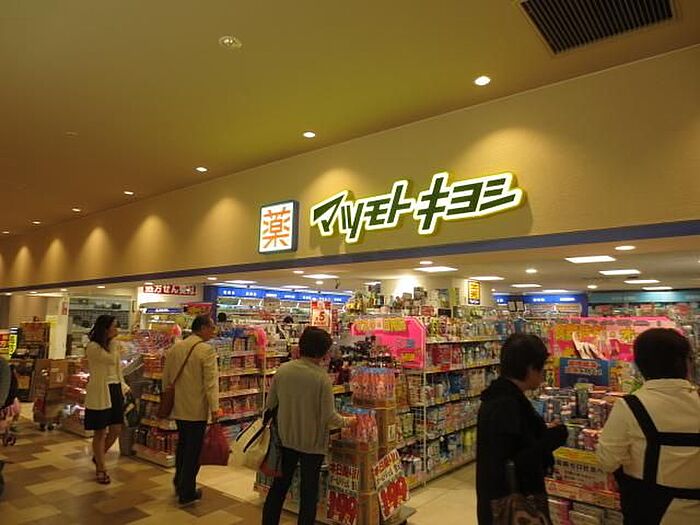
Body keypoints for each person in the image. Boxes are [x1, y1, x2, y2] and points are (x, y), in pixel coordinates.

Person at [596, 328, 700, 524]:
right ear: (686, 363)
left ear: (640, 365)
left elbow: (607, 460)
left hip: (651, 511)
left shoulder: (630, 406)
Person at [262, 326, 355, 525]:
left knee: (279, 486)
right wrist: (350, 421)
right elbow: (329, 417)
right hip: (312, 445)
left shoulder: (283, 370)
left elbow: (270, 404)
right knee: (309, 492)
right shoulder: (321, 378)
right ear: (322, 352)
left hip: (285, 440)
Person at [476, 333, 568, 525]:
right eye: (541, 367)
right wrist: (554, 437)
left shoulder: (501, 397)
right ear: (530, 368)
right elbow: (517, 461)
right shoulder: (506, 405)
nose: (543, 373)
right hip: (509, 508)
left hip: (498, 503)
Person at [163, 314, 219, 506]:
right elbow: (210, 383)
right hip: (196, 409)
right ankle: (187, 491)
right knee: (193, 451)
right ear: (202, 328)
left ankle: (179, 481)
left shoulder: (176, 348)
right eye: (211, 327)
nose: (213, 331)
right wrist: (215, 408)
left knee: (183, 446)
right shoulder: (206, 350)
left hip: (179, 407)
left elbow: (167, 377)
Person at [84, 315, 128, 485]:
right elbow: (109, 360)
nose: (117, 329)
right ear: (106, 328)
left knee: (116, 428)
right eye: (114, 326)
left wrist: (123, 386)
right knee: (100, 431)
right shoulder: (93, 347)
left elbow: (117, 368)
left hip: (115, 388)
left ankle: (99, 456)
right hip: (100, 391)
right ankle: (101, 468)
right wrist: (115, 344)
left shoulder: (112, 345)